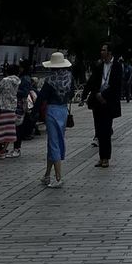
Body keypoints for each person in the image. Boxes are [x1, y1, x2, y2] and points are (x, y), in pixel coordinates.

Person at [83, 44, 122, 168]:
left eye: (104, 50)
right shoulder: (99, 66)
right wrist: (87, 94)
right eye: (101, 50)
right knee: (99, 131)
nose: (101, 52)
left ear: (109, 52)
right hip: (97, 102)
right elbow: (92, 81)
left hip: (108, 102)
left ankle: (106, 157)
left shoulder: (117, 66)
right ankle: (101, 157)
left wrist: (104, 95)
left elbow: (116, 85)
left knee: (106, 130)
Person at [38, 50, 73, 188]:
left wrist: (34, 113)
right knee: (57, 141)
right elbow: (70, 94)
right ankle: (47, 174)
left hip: (52, 110)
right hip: (63, 110)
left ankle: (58, 177)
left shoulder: (50, 80)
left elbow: (41, 98)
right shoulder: (69, 78)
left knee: (53, 144)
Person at [14, 60, 36, 156]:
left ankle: (17, 148)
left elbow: (25, 92)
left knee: (18, 126)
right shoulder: (23, 77)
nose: (19, 68)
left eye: (20, 66)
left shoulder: (25, 79)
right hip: (18, 104)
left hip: (20, 104)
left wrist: (14, 91)